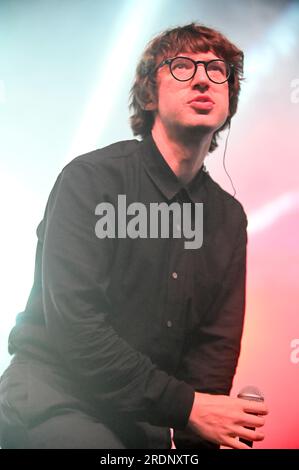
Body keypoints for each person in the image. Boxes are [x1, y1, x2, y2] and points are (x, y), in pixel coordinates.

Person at [0, 23, 268, 449]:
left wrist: (197, 436)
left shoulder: (228, 219)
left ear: (230, 100)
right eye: (182, 67)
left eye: (218, 71)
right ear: (149, 96)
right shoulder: (90, 181)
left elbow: (214, 352)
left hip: (144, 422)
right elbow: (77, 328)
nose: (203, 79)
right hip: (55, 398)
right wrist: (187, 408)